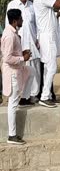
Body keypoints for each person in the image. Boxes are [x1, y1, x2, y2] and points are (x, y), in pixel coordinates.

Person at [2, 9, 35, 144]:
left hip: (18, 69)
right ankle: (12, 135)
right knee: (12, 104)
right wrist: (23, 57)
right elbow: (7, 58)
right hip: (12, 72)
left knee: (31, 71)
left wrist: (23, 53)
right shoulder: (9, 35)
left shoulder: (13, 33)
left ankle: (24, 98)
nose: (22, 20)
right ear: (15, 21)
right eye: (20, 18)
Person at [6, 0, 41, 104]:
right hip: (18, 43)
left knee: (35, 69)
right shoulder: (12, 5)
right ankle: (22, 96)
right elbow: (8, 26)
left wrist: (38, 39)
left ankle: (33, 95)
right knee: (21, 71)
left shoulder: (32, 5)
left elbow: (37, 24)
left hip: (32, 42)